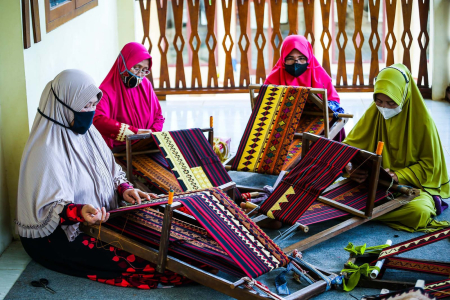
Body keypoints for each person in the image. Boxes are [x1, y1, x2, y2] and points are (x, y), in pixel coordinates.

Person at [16, 70, 190, 288]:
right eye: (85, 105)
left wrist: (124, 189)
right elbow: (46, 209)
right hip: (56, 236)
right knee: (154, 262)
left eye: (93, 105)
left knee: (170, 243)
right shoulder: (45, 149)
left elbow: (111, 170)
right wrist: (79, 211)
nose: (90, 111)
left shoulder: (88, 133)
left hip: (99, 218)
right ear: (63, 104)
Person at [344, 63, 449, 232]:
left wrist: (399, 175)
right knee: (333, 194)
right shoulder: (374, 112)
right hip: (375, 183)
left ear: (405, 96)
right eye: (379, 101)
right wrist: (350, 168)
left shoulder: (423, 122)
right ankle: (369, 211)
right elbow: (348, 148)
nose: (384, 108)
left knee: (419, 212)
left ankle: (359, 212)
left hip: (410, 187)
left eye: (391, 103)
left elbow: (431, 167)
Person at [265, 35, 345, 141]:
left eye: (301, 58)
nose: (296, 63)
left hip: (316, 121)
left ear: (309, 57)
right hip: (284, 124)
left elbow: (333, 101)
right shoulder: (273, 79)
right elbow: (265, 106)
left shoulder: (321, 76)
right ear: (283, 59)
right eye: (290, 59)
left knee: (335, 122)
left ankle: (327, 156)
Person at [94, 42, 165, 151]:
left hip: (148, 143)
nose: (139, 75)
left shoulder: (145, 84)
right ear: (123, 63)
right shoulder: (106, 90)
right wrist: (133, 132)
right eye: (136, 68)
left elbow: (158, 115)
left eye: (144, 70)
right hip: (122, 148)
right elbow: (97, 119)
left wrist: (152, 134)